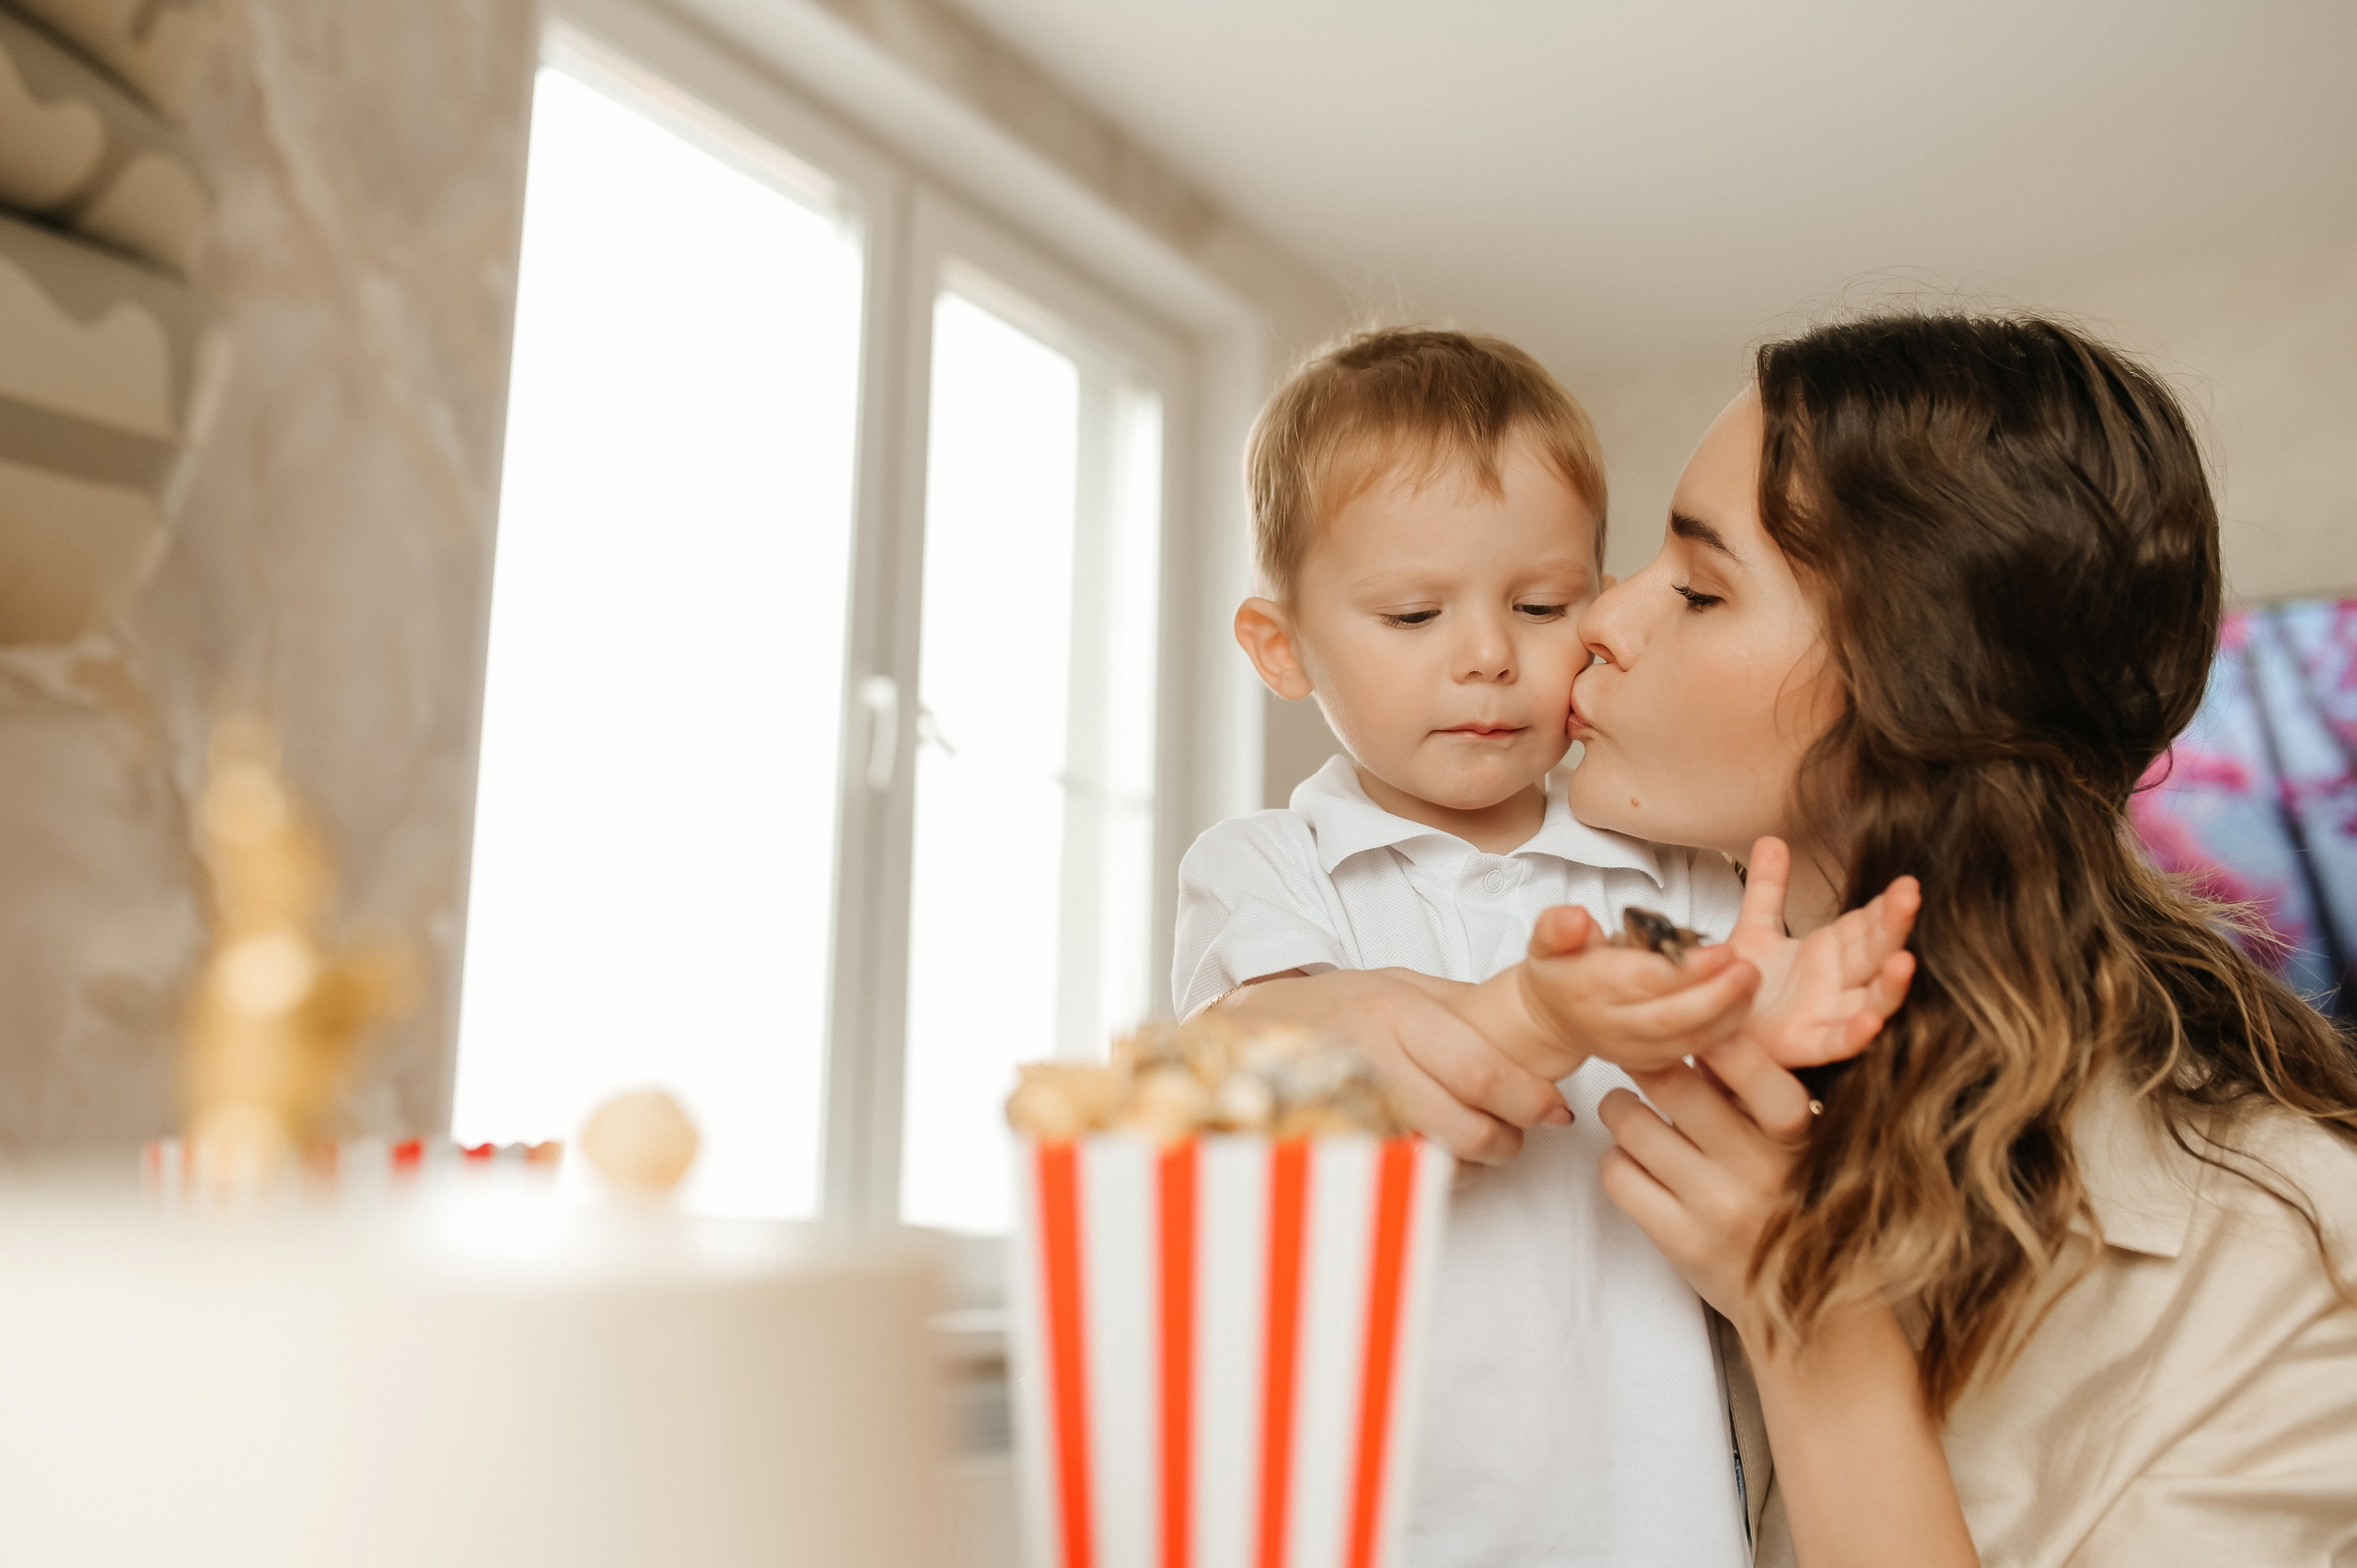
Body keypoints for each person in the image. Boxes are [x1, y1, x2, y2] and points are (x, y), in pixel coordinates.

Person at [1278, 312, 2357, 1564]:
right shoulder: (1567, 956)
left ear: (1911, 688)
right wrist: (1288, 1024)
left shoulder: (2298, 1258)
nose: (1597, 625)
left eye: (1697, 587)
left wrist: (1812, 1328)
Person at [1174, 327, 1913, 1568]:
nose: (1487, 655)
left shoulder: (1669, 858)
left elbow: (1719, 991)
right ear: (1279, 646)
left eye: (1541, 604)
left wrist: (1771, 1008)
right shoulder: (1267, 876)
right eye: (1415, 612)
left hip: (1648, 1509)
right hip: (1366, 1508)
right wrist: (1539, 1010)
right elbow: (1285, 1089)